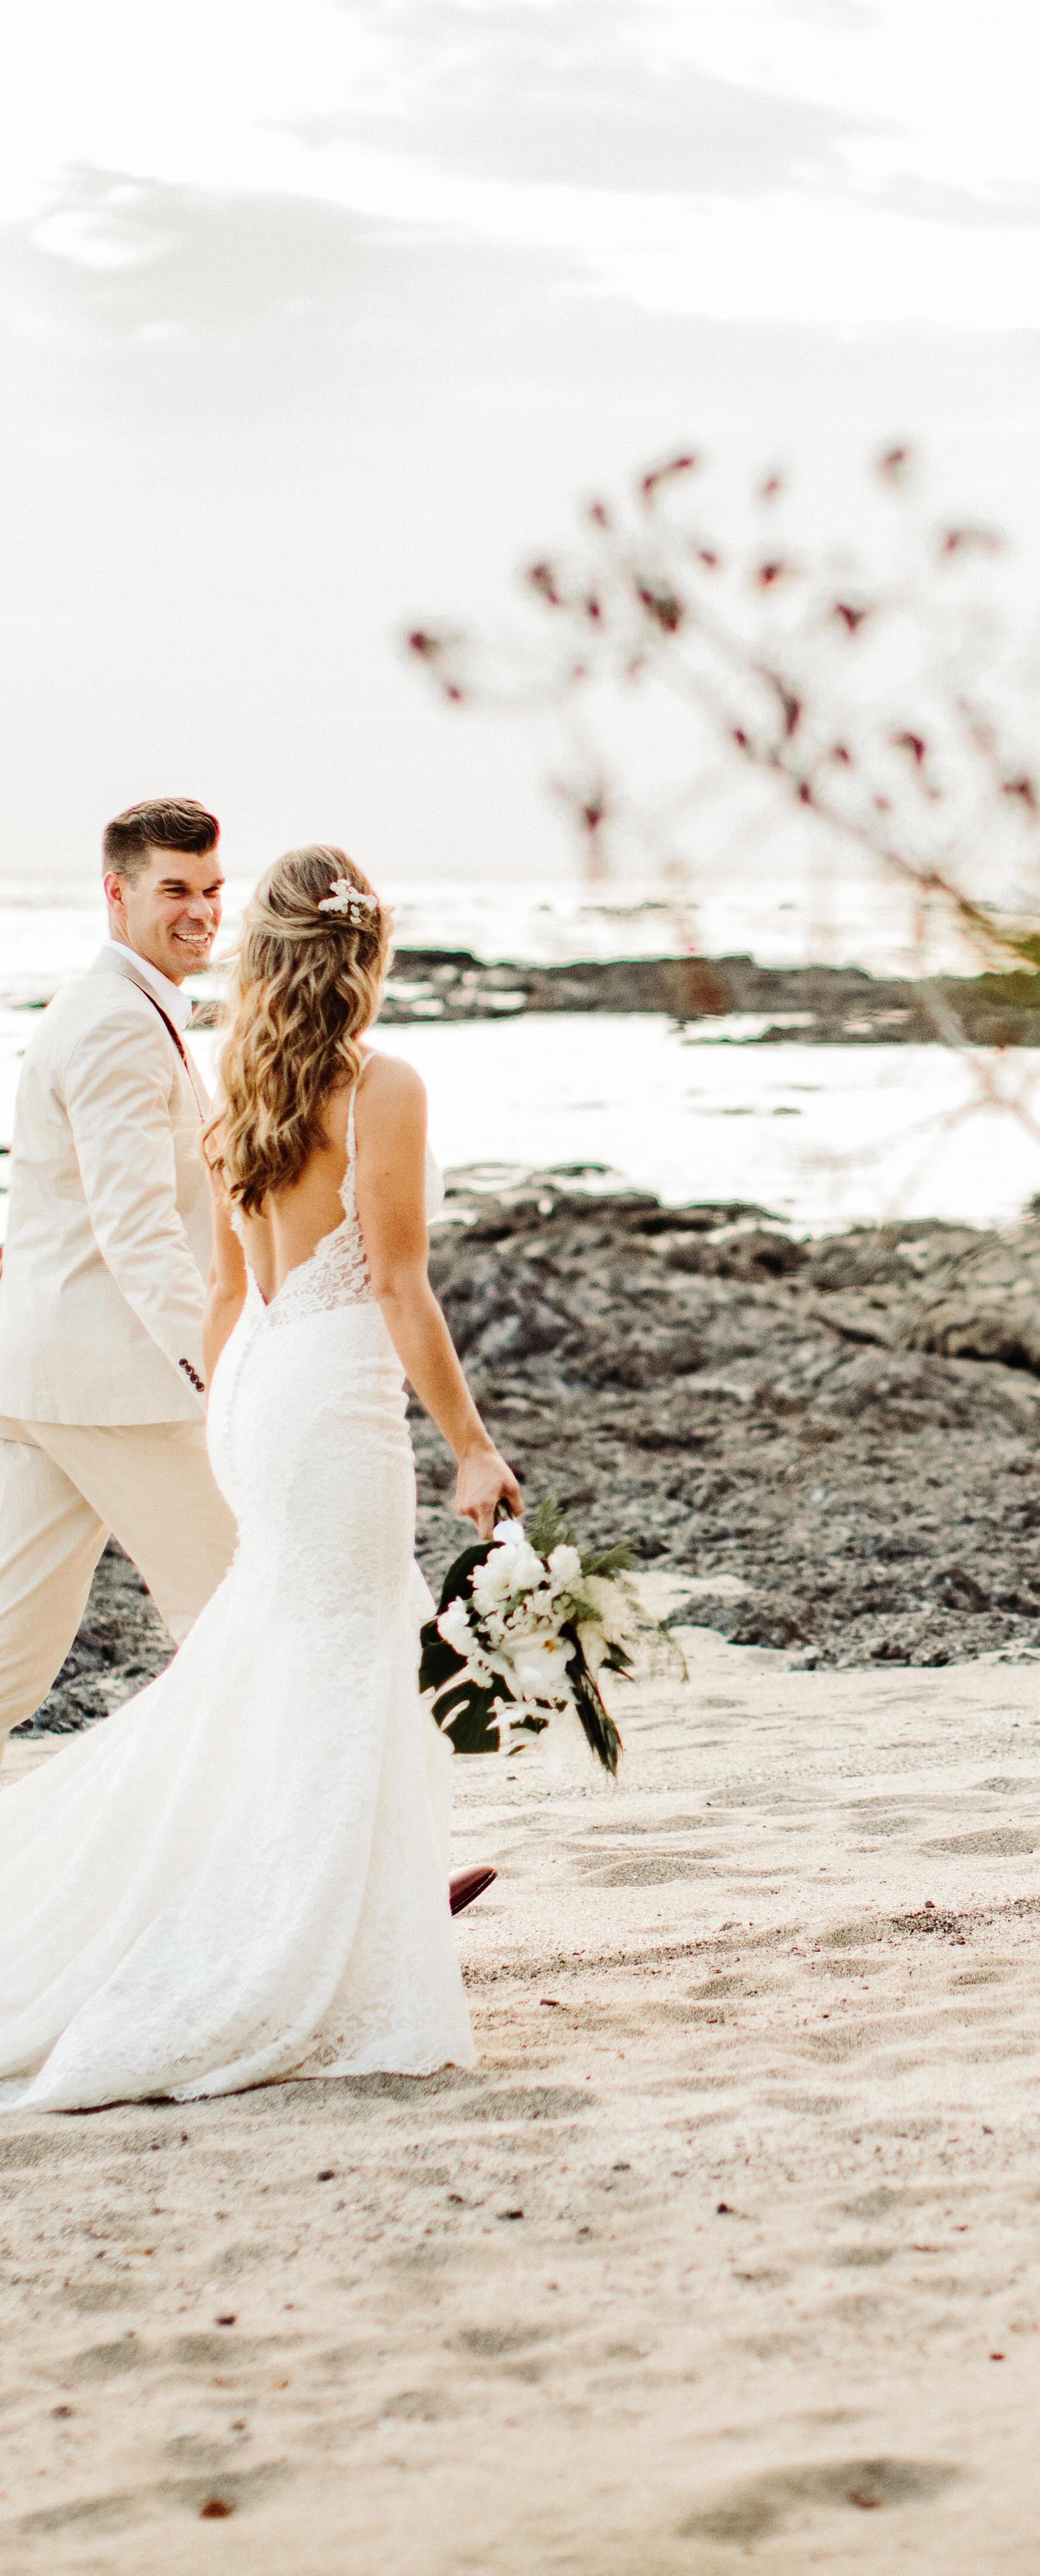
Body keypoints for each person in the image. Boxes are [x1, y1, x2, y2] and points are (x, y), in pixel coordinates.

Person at [0, 847, 520, 2110]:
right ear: (365, 952)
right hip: (329, 1399)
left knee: (307, 1650)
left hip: (253, 1388)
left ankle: (369, 1897)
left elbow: (230, 1286)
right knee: (344, 1654)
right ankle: (296, 1930)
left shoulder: (245, 1078)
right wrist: (471, 1441)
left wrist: (226, 1418)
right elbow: (398, 1284)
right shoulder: (381, 1085)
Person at [0, 798, 238, 1749]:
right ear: (117, 892)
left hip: (58, 1377)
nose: (202, 910)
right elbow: (137, 1230)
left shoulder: (117, 1008)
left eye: (213, 888)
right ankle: (295, 1835)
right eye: (175, 889)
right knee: (243, 1610)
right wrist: (218, 1368)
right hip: (123, 1385)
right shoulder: (117, 1026)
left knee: (12, 1648)